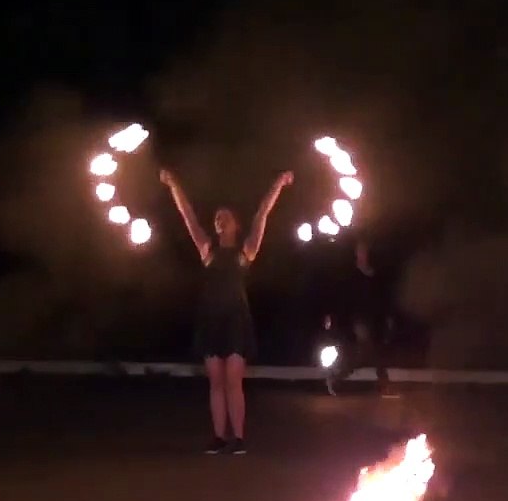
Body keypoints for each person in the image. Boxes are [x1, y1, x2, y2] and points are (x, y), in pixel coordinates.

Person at [161, 168, 294, 455]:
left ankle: (239, 438)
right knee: (216, 382)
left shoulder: (246, 250)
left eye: (225, 217)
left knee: (234, 381)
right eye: (217, 218)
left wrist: (279, 184)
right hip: (211, 319)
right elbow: (187, 215)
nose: (219, 221)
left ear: (235, 224)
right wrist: (173, 183)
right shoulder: (207, 249)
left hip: (236, 319)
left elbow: (262, 214)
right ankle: (219, 437)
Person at [324, 239, 398, 398]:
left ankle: (337, 378)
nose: (363, 255)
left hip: (375, 320)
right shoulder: (353, 276)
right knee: (373, 352)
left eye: (364, 251)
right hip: (360, 320)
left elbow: (381, 297)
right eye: (360, 252)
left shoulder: (373, 273)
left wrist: (387, 318)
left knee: (370, 354)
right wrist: (336, 318)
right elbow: (345, 298)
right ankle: (383, 385)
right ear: (356, 255)